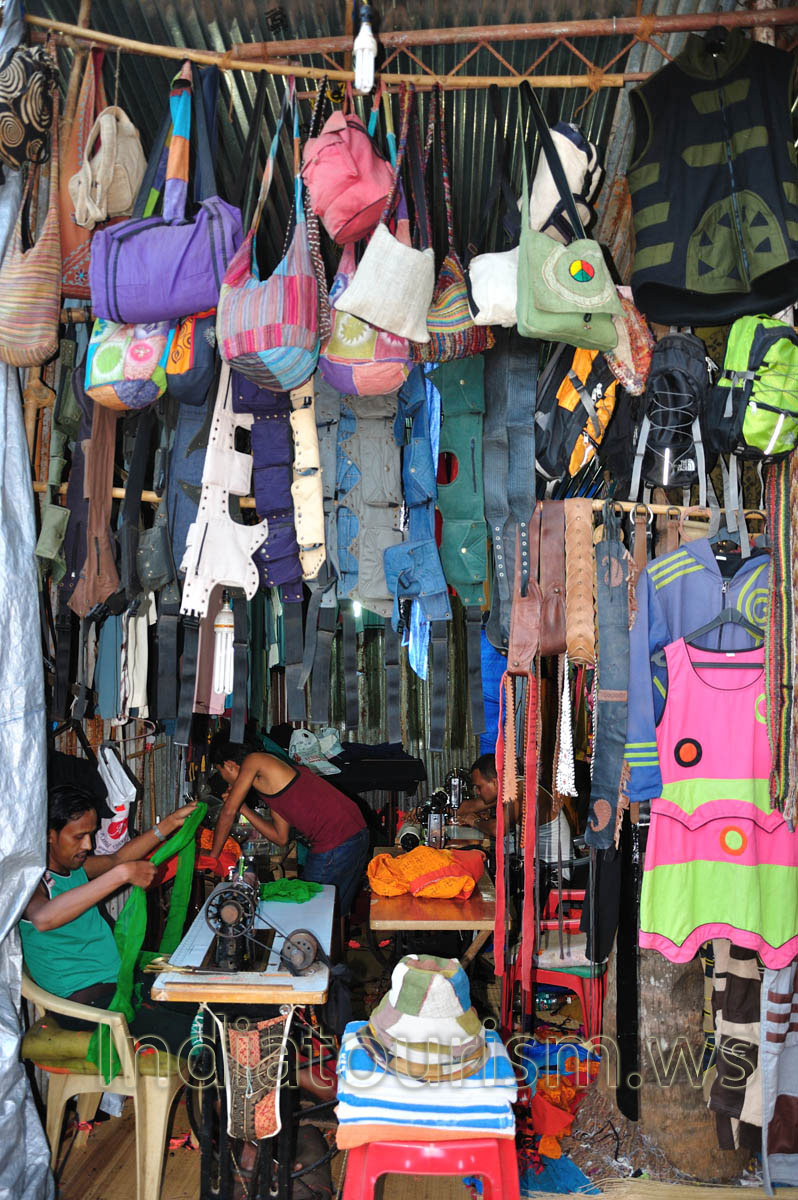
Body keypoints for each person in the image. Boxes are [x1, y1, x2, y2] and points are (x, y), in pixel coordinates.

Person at [20, 784, 198, 1054]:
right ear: (48, 836)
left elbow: (118, 858)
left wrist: (170, 824)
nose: (88, 845)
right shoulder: (31, 882)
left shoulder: (75, 868)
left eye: (91, 835)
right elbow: (43, 918)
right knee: (201, 1036)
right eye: (79, 836)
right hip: (86, 1009)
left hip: (119, 989)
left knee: (206, 1003)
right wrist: (121, 875)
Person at [209, 739, 370, 917]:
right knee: (331, 911)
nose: (223, 779)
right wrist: (244, 809)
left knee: (307, 910)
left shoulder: (255, 760)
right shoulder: (270, 782)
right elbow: (280, 837)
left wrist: (213, 857)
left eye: (220, 772)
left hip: (337, 839)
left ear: (229, 765)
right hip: (353, 834)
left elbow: (228, 812)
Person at [458, 753, 519, 839]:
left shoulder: (518, 792)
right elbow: (467, 807)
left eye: (479, 787)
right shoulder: (502, 790)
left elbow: (498, 829)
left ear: (495, 783)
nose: (477, 792)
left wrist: (475, 821)